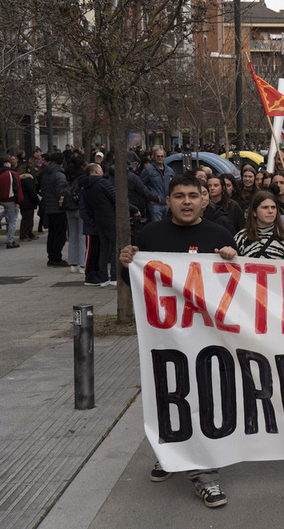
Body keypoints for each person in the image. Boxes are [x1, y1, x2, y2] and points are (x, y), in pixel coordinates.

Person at [119, 173, 236, 508]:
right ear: (167, 201)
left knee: (200, 401)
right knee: (168, 397)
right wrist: (127, 264)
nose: (187, 201)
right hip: (165, 337)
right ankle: (169, 452)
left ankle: (205, 476)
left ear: (205, 200)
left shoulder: (219, 236)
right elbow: (138, 284)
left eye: (193, 195)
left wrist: (232, 260)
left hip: (206, 341)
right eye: (179, 195)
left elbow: (238, 290)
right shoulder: (152, 235)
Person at [80, 163, 139, 286]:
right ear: (95, 171)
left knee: (104, 249)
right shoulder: (103, 183)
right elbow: (118, 198)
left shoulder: (85, 188)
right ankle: (114, 276)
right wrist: (134, 210)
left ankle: (103, 278)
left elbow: (87, 208)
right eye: (100, 169)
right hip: (111, 219)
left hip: (99, 221)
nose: (102, 172)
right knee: (115, 248)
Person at [234, 190, 284, 260]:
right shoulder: (241, 237)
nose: (270, 211)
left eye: (273, 207)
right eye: (265, 207)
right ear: (254, 212)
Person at [40, 152, 69, 266]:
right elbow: (62, 193)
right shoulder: (59, 174)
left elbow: (43, 189)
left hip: (49, 207)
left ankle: (51, 256)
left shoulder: (46, 173)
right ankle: (57, 257)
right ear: (62, 162)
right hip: (58, 209)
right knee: (60, 234)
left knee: (52, 233)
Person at [0, 158, 23, 249]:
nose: (10, 164)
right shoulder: (12, 174)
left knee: (8, 211)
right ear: (5, 164)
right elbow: (17, 188)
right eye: (8, 162)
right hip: (11, 199)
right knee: (12, 221)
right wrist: (18, 202)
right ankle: (10, 241)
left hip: (1, 200)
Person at [139, 147, 174, 221]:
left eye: (162, 156)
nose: (160, 158)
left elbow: (174, 185)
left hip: (167, 203)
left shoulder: (170, 171)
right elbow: (140, 185)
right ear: (154, 157)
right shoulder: (148, 170)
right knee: (157, 226)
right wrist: (150, 197)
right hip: (155, 204)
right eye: (158, 156)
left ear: (165, 157)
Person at [17, 165, 40, 242]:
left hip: (22, 201)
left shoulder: (19, 179)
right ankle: (25, 234)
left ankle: (28, 233)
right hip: (29, 201)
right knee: (28, 219)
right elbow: (32, 191)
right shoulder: (29, 179)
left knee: (25, 218)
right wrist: (37, 200)